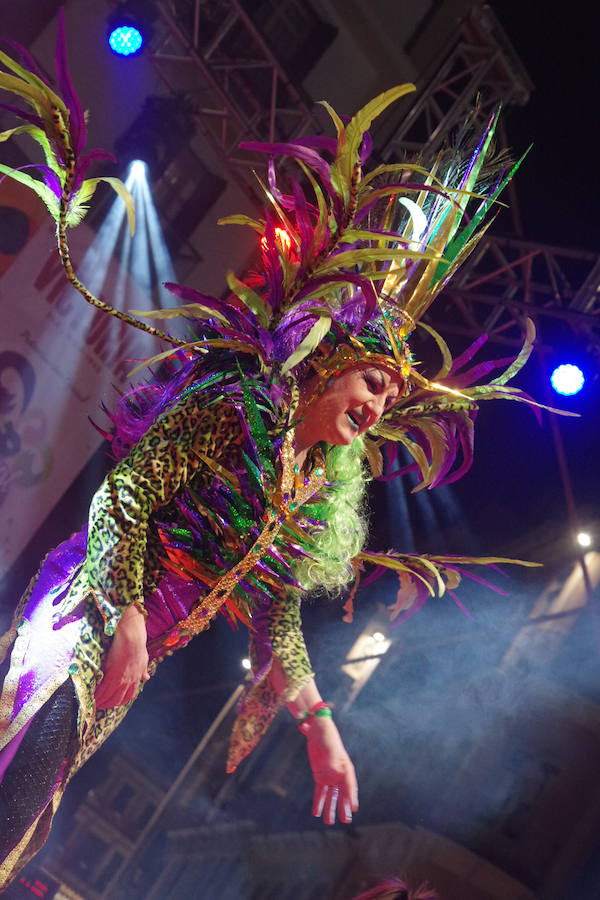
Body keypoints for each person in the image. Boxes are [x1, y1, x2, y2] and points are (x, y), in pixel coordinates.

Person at [0, 18, 550, 888]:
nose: (377, 406)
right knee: (16, 797)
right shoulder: (239, 407)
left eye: (391, 400)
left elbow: (274, 616)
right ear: (326, 368)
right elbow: (122, 499)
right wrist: (131, 619)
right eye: (370, 383)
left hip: (130, 655)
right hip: (91, 607)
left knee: (26, 812)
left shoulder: (307, 490)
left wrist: (319, 723)